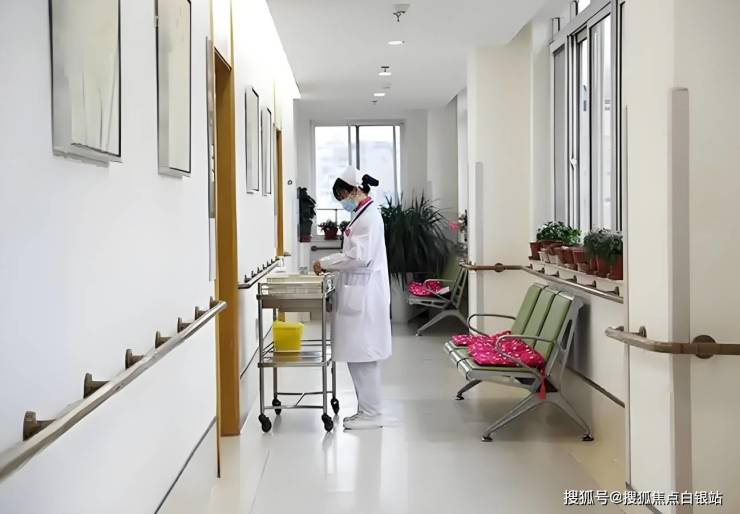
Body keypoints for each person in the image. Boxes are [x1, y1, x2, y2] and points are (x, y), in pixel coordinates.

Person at [313, 165, 394, 430]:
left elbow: (359, 257)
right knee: (359, 355)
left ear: (355, 190)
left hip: (365, 295)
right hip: (360, 292)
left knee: (364, 356)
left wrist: (326, 263)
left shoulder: (369, 218)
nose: (343, 202)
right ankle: (366, 411)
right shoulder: (362, 214)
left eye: (343, 196)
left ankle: (371, 413)